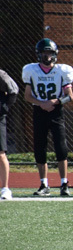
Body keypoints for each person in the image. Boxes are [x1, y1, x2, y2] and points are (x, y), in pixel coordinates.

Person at [22, 38, 73, 197]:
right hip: (39, 112)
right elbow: (27, 96)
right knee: (40, 148)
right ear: (39, 54)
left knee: (61, 147)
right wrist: (41, 103)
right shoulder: (31, 70)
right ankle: (44, 184)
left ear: (55, 54)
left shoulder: (62, 70)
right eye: (44, 53)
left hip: (56, 112)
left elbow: (70, 96)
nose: (47, 56)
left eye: (50, 53)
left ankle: (64, 183)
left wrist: (56, 101)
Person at [0, 69, 19, 200]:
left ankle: (5, 188)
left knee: (1, 154)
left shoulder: (1, 74)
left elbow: (14, 90)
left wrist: (4, 107)